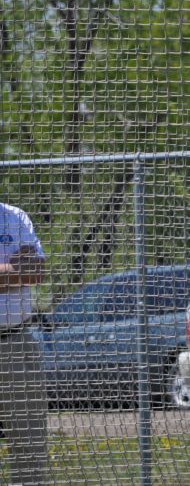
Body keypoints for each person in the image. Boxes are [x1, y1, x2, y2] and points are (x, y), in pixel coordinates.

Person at [0, 202, 48, 484]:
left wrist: (20, 269)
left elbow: (36, 271)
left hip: (17, 342)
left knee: (29, 446)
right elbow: (22, 271)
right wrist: (14, 266)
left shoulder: (15, 217)